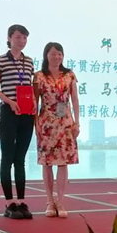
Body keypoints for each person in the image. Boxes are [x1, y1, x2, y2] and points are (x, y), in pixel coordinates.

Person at [33, 42, 80, 218]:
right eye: (53, 53)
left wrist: (77, 123)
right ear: (46, 55)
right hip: (46, 122)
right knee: (47, 163)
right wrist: (36, 124)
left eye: (59, 53)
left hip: (65, 122)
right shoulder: (39, 76)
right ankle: (49, 201)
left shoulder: (69, 75)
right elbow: (35, 102)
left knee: (63, 162)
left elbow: (74, 99)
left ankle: (60, 201)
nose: (56, 57)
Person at [0, 24, 35, 220]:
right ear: (9, 38)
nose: (22, 41)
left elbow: (29, 87)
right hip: (9, 112)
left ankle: (21, 201)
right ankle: (9, 203)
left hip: (26, 114)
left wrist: (33, 102)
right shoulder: (1, 60)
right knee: (7, 157)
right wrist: (10, 102)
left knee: (20, 159)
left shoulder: (29, 61)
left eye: (25, 37)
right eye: (18, 37)